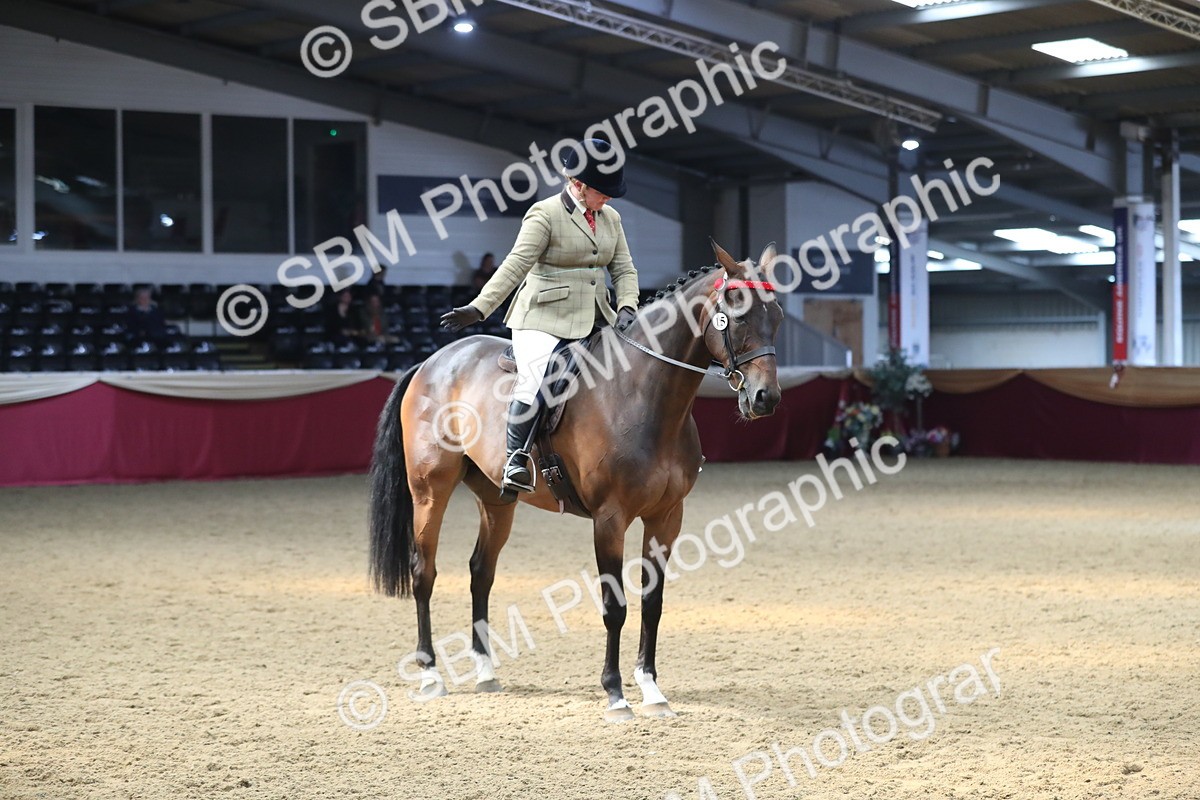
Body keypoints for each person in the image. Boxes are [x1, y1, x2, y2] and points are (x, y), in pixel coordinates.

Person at [440, 138, 640, 494]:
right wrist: (480, 307)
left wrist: (627, 306)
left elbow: (624, 269)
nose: (608, 199)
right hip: (542, 316)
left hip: (596, 316)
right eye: (603, 192)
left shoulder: (611, 218)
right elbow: (516, 265)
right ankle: (516, 458)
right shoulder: (545, 214)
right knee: (534, 378)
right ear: (578, 184)